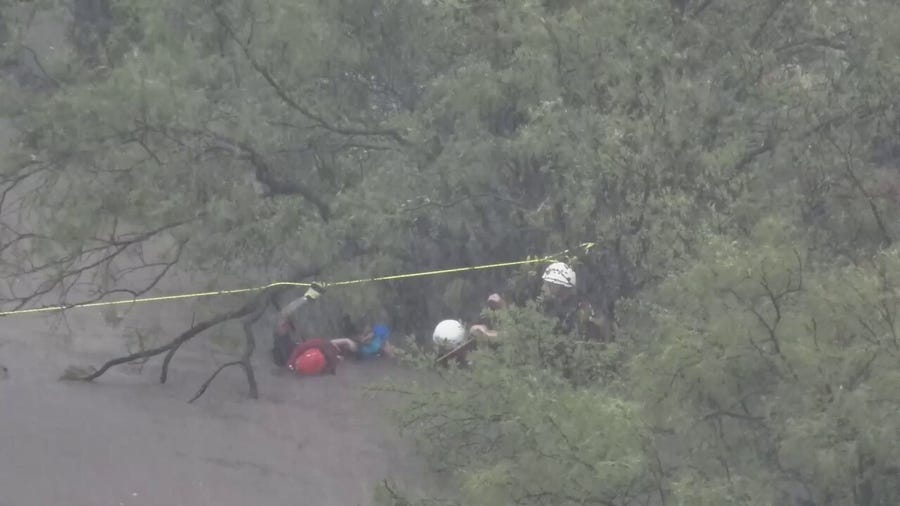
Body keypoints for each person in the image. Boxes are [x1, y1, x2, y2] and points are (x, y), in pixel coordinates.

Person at [330, 320, 395, 360]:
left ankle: (332, 347)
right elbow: (361, 340)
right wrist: (365, 339)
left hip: (363, 352)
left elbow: (388, 351)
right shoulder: (373, 337)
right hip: (360, 349)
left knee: (347, 343)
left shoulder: (381, 341)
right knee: (347, 342)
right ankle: (328, 344)